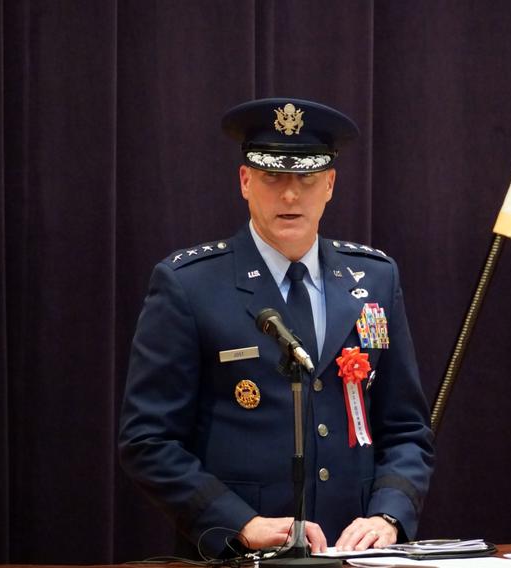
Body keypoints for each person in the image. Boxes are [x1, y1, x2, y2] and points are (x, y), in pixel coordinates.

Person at [118, 97, 435, 559]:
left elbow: (406, 428)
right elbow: (148, 441)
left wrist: (387, 515)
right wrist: (238, 522)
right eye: (273, 177)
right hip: (237, 555)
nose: (290, 195)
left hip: (354, 553)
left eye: (306, 178)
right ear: (245, 181)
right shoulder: (190, 285)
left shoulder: (375, 279)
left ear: (329, 184)